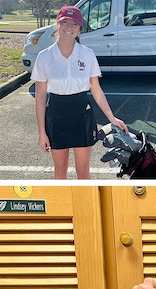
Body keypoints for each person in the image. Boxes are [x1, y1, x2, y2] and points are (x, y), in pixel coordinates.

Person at [31, 5, 127, 179]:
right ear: (57, 25)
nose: (69, 27)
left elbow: (96, 89)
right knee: (60, 171)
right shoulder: (44, 57)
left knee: (83, 171)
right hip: (56, 116)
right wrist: (42, 132)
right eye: (65, 22)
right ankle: (63, 205)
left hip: (82, 115)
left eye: (74, 24)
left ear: (80, 28)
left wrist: (112, 118)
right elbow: (40, 96)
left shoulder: (87, 54)